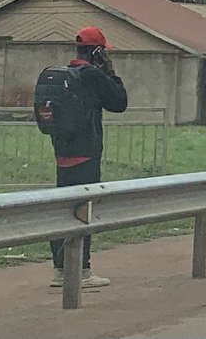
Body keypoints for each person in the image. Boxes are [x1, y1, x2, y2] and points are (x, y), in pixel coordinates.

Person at [48, 26, 129, 288]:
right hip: (86, 156)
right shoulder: (93, 76)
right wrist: (110, 70)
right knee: (83, 210)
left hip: (63, 155)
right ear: (97, 51)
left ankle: (61, 270)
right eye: (103, 52)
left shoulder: (65, 75)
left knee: (64, 210)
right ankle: (81, 270)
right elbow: (119, 102)